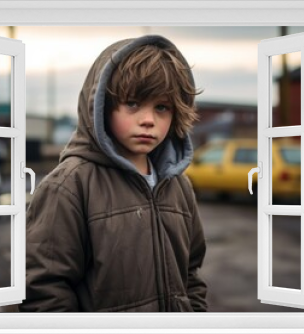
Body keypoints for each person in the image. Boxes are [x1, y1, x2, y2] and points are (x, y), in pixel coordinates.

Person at [19, 35, 207, 312]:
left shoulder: (179, 186)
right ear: (101, 106)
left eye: (162, 107)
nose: (148, 119)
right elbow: (43, 290)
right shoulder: (69, 186)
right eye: (133, 103)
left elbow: (191, 276)